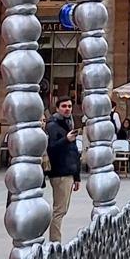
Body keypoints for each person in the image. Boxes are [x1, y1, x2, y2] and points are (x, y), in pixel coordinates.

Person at [45, 97, 81, 243]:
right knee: (59, 210)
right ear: (57, 108)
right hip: (60, 172)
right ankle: (55, 242)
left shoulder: (68, 123)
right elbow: (51, 148)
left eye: (70, 106)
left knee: (62, 209)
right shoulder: (53, 125)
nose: (67, 109)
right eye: (64, 106)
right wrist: (66, 139)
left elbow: (74, 152)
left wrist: (77, 176)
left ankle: (55, 240)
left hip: (68, 171)